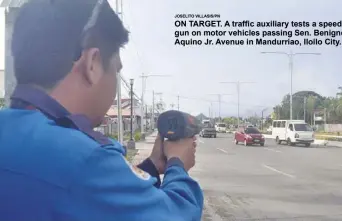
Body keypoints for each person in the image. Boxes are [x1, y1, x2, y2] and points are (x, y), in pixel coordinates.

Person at [0, 0, 203, 220]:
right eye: (116, 69)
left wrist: (151, 166)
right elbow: (178, 214)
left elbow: (87, 196)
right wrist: (177, 165)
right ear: (93, 64)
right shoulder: (82, 159)